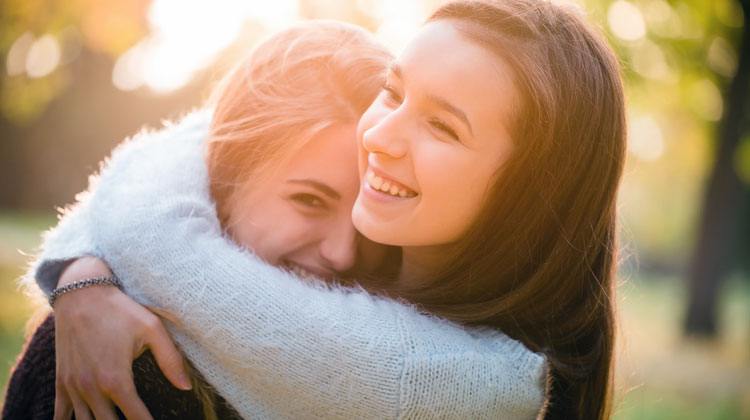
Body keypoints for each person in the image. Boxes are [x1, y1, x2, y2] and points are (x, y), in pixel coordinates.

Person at [11, 0, 626, 418]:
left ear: (532, 192)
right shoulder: (117, 347)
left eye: (443, 126)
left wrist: (84, 274)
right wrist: (83, 271)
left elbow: (167, 243)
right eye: (393, 91)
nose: (380, 137)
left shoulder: (476, 383)